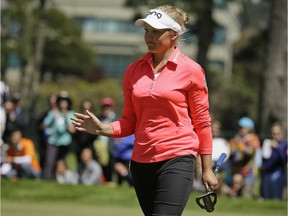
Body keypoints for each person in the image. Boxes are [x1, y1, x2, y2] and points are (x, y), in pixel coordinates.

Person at [71, 5, 217, 216]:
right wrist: (102, 128)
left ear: (174, 34)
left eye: (156, 31)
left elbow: (202, 122)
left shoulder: (191, 70)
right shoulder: (133, 70)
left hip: (178, 155)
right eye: (147, 31)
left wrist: (207, 168)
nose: (149, 36)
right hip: (141, 161)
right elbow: (130, 121)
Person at [42, 91, 75, 180]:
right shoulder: (53, 112)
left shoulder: (71, 114)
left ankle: (61, 179)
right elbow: (44, 125)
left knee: (61, 162)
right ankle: (47, 179)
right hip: (53, 141)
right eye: (61, 101)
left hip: (64, 142)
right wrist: (53, 116)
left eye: (65, 101)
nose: (63, 103)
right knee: (50, 161)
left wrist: (66, 117)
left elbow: (72, 130)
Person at [228, 117, 261, 198]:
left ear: (248, 128)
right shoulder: (236, 138)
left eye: (241, 127)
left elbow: (250, 151)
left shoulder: (253, 138)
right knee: (235, 192)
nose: (240, 129)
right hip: (237, 170)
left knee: (247, 192)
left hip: (250, 171)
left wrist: (240, 145)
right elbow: (231, 150)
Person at [261, 122, 287, 201]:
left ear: (281, 134)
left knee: (276, 197)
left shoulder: (284, 144)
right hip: (267, 173)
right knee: (267, 196)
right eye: (273, 134)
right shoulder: (268, 143)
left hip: (278, 173)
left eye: (277, 134)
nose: (275, 136)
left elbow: (284, 158)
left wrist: (277, 148)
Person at [93, 97, 117, 183]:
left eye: (108, 107)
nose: (106, 110)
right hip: (100, 146)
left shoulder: (116, 119)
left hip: (111, 145)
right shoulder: (99, 118)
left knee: (111, 164)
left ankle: (111, 180)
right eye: (104, 108)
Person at [74, 99, 98, 173]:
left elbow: (96, 135)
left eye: (88, 109)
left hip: (90, 147)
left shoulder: (95, 121)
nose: (86, 112)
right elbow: (75, 136)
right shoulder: (78, 120)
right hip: (79, 147)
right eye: (84, 109)